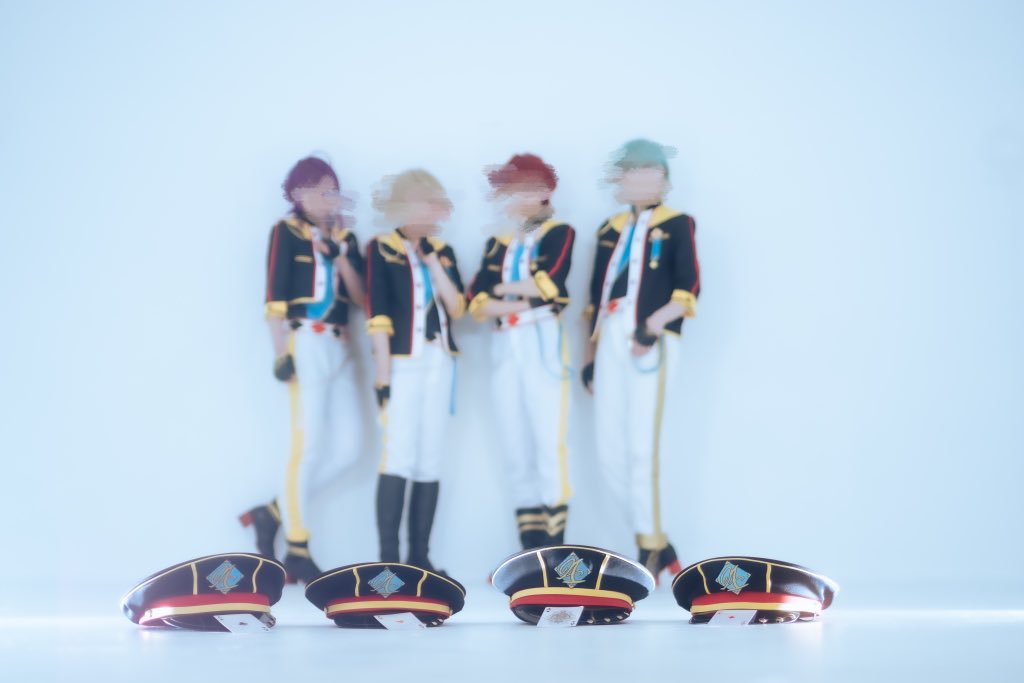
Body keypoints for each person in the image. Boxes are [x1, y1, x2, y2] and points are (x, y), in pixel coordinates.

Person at [239, 155, 366, 584]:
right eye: (316, 190)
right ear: (296, 194)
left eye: (332, 190)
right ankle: (298, 546)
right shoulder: (286, 232)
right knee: (307, 445)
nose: (326, 198)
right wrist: (281, 353)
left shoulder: (346, 236)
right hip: (305, 340)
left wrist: (340, 254)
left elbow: (361, 298)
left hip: (341, 345)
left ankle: (271, 511)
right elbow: (274, 297)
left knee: (351, 448)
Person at [582, 139, 701, 583]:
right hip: (610, 336)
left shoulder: (678, 224)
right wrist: (591, 357)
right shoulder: (608, 229)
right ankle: (655, 541)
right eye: (632, 170)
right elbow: (593, 299)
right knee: (608, 449)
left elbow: (689, 286)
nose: (639, 178)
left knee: (641, 446)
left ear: (663, 178)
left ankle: (650, 544)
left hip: (651, 338)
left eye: (649, 170)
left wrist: (654, 325)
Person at [467, 153, 576, 550]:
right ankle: (530, 551)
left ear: (545, 190)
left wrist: (500, 290)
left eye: (524, 188)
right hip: (505, 343)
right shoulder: (498, 243)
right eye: (510, 189)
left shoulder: (559, 232)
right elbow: (475, 301)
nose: (515, 197)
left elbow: (551, 286)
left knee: (548, 442)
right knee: (514, 445)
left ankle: (556, 550)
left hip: (542, 341)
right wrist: (518, 295)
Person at [364, 169, 466, 572]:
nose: (431, 211)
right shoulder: (381, 249)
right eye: (423, 202)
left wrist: (433, 263)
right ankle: (389, 562)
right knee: (398, 456)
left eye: (434, 203)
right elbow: (377, 314)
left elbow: (457, 308)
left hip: (440, 361)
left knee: (430, 459)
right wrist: (383, 376)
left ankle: (420, 558)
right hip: (402, 365)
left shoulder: (443, 251)